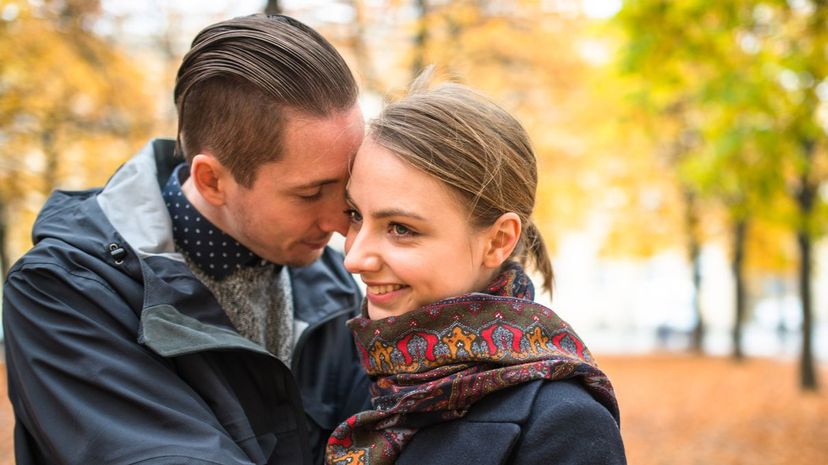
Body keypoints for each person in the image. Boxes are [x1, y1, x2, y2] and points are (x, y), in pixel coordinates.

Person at [3, 14, 371, 465]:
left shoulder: (333, 281)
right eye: (310, 193)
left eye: (348, 187)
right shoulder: (63, 293)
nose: (343, 222)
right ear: (212, 180)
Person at [325, 74, 627, 465]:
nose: (354, 258)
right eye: (354, 216)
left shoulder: (564, 422)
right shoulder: (356, 378)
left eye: (401, 228)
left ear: (498, 240)